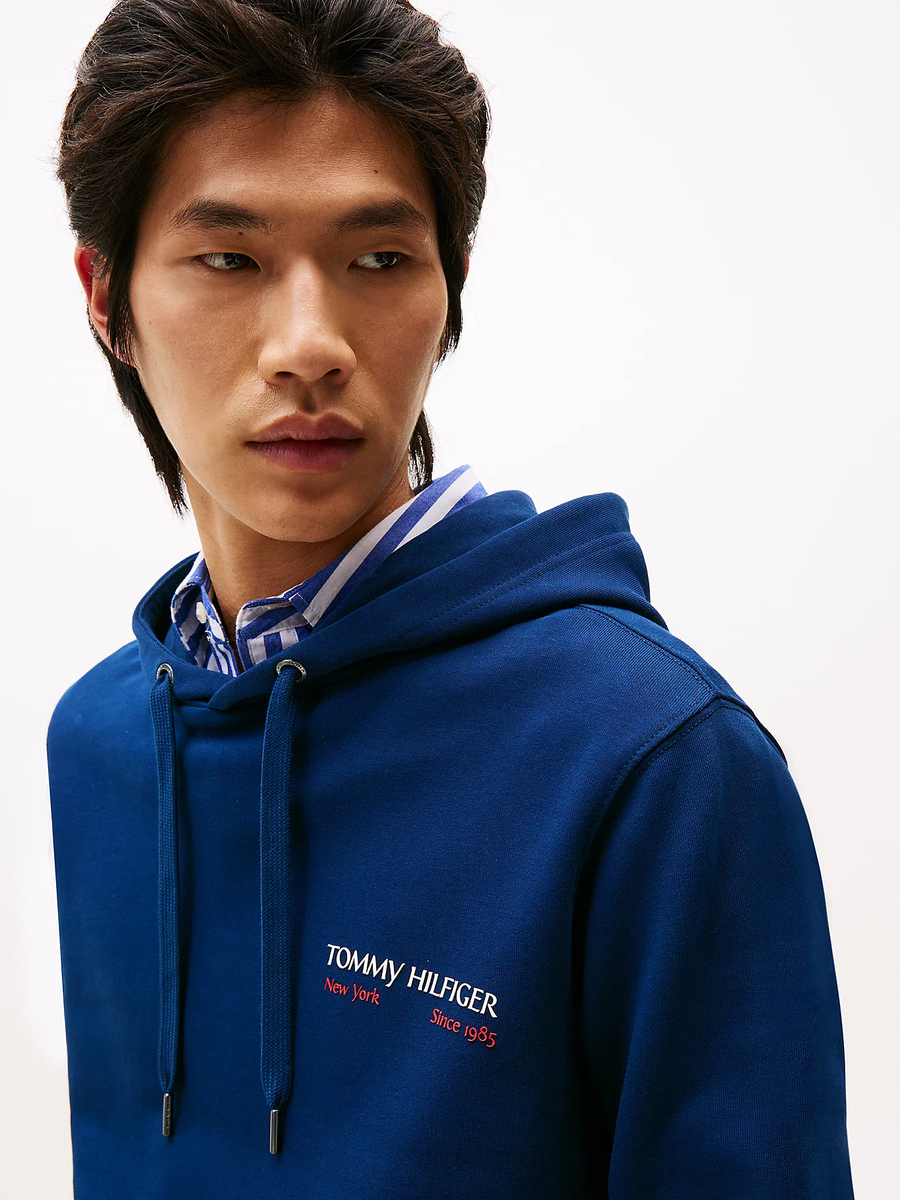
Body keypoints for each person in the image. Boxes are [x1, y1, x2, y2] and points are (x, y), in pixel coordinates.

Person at [47, 0, 855, 1196]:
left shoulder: (656, 761)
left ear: (452, 285)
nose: (310, 344)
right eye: (230, 259)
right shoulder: (99, 741)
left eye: (379, 259)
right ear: (106, 296)